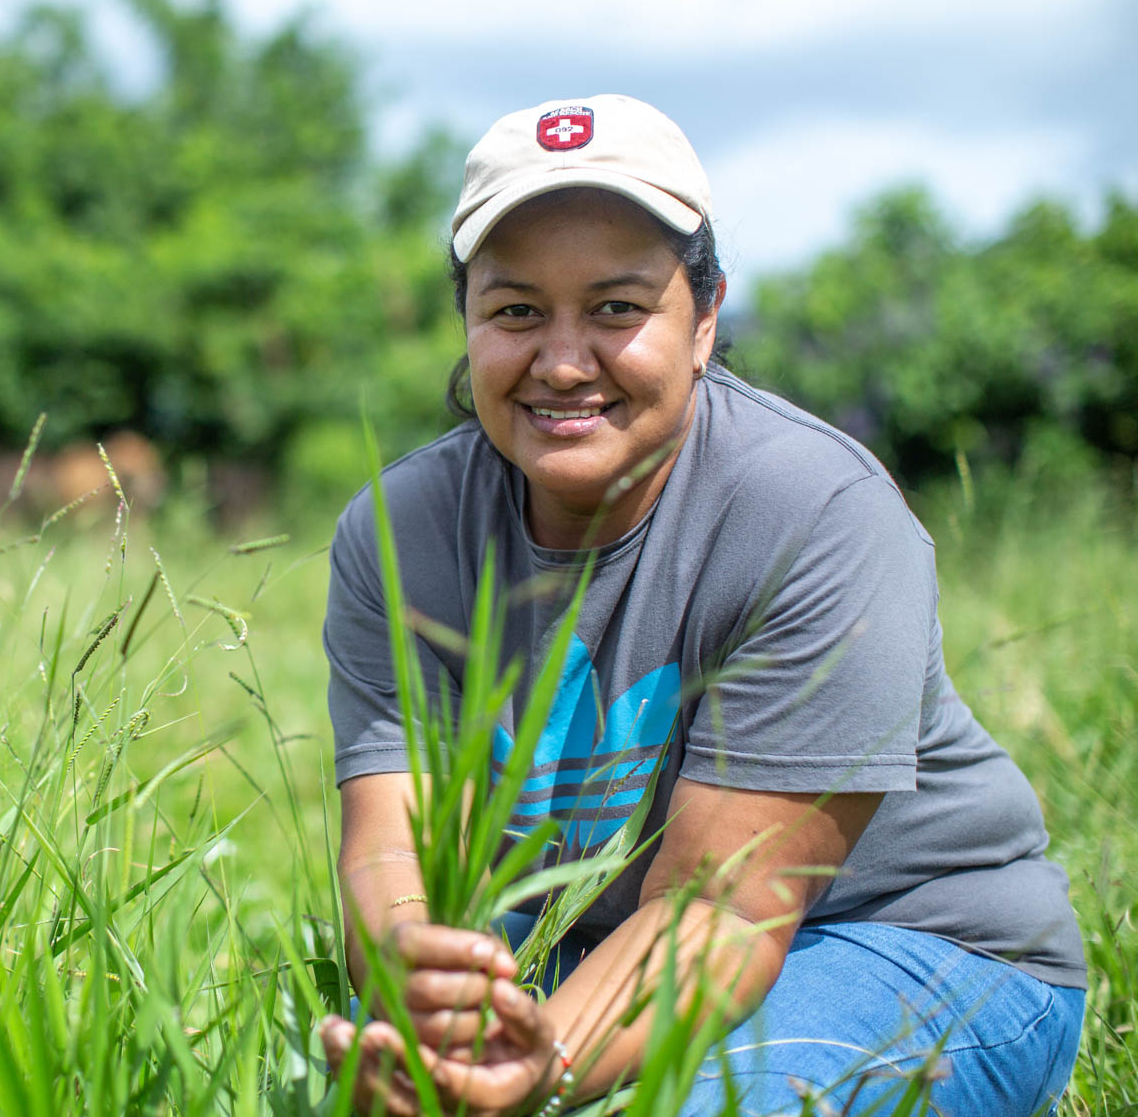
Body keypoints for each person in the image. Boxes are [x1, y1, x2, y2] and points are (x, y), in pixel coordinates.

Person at [316, 94, 1086, 1116]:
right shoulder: (401, 532)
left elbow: (725, 909)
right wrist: (414, 990)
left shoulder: (813, 513)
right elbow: (392, 846)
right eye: (515, 310)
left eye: (617, 308)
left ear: (707, 314)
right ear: (468, 319)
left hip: (904, 940)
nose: (560, 360)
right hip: (597, 951)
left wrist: (538, 1070)